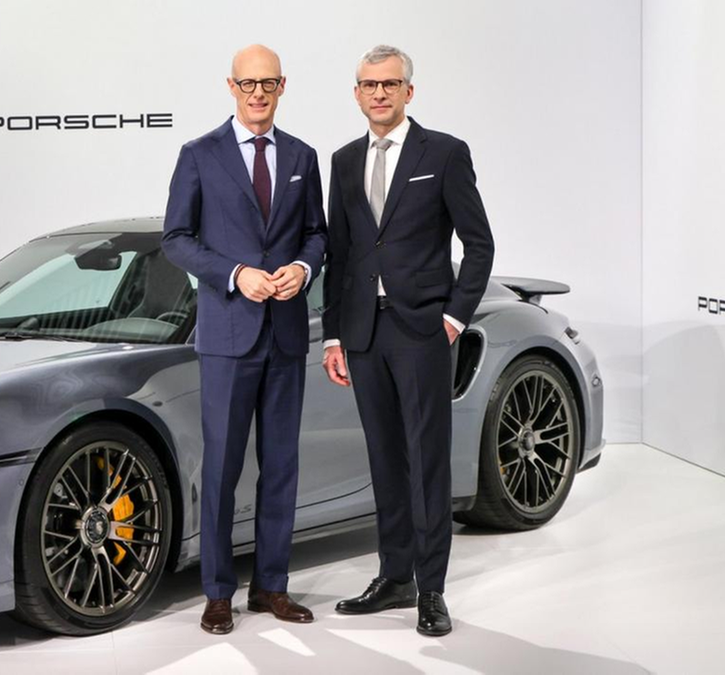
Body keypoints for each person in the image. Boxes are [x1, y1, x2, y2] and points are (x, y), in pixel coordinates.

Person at [321, 45, 494, 637]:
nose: (379, 93)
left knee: (427, 462)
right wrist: (333, 335)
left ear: (408, 92)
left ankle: (432, 588)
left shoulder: (443, 152)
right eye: (369, 84)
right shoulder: (344, 160)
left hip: (421, 330)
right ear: (357, 93)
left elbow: (479, 244)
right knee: (384, 458)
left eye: (390, 84)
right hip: (363, 333)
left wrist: (454, 319)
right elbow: (340, 253)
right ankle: (395, 577)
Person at [162, 44, 327, 635]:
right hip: (228, 335)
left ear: (283, 86)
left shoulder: (303, 156)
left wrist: (302, 268)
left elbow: (317, 234)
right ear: (231, 87)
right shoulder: (199, 154)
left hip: (286, 334)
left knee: (281, 465)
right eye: (248, 84)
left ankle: (272, 587)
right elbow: (176, 238)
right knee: (223, 468)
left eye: (269, 83)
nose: (259, 94)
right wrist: (235, 274)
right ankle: (217, 592)